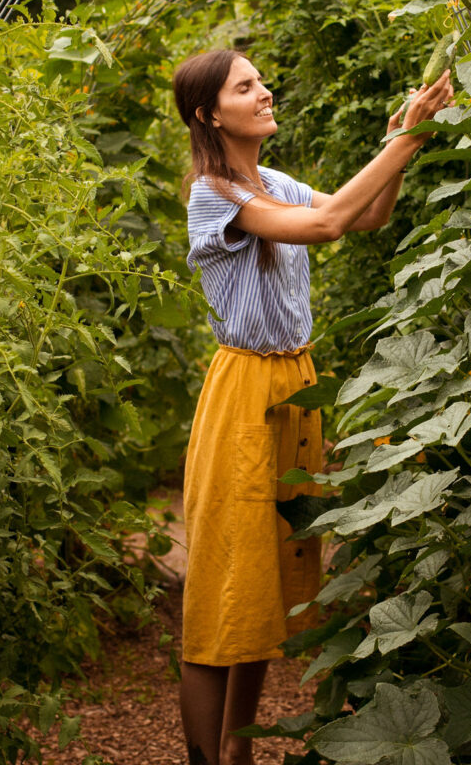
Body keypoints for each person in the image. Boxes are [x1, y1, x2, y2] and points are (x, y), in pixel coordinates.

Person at [172, 48, 453, 765]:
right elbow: (324, 225)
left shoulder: (270, 182)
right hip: (243, 394)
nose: (264, 92)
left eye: (260, 80)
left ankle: (237, 754)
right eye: (246, 86)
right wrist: (403, 139)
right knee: (223, 585)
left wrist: (404, 140)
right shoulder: (215, 193)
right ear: (209, 113)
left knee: (270, 580)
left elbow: (360, 215)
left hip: (294, 389)